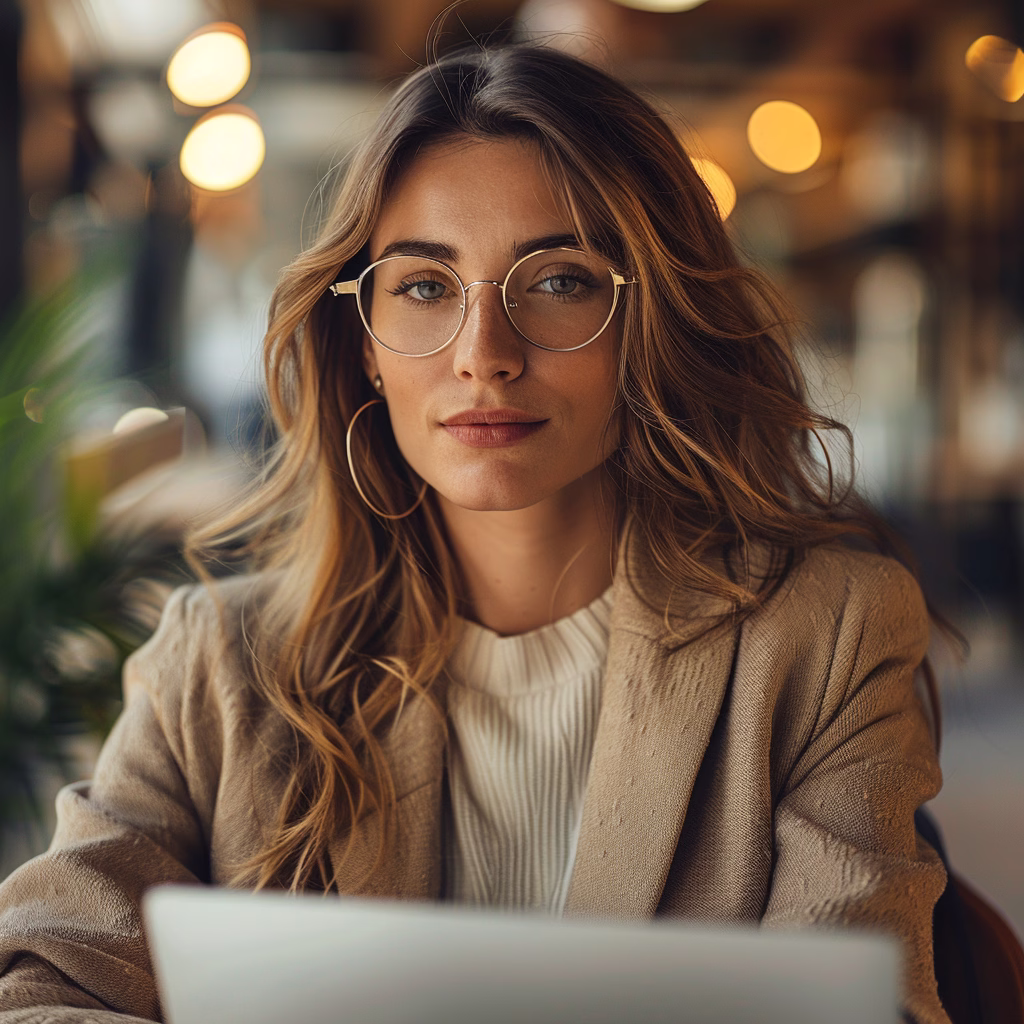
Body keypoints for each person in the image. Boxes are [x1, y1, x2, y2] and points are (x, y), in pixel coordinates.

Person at [0, 43, 952, 1024]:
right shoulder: (215, 666)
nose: (484, 357)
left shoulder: (824, 637)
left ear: (648, 322)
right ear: (363, 341)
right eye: (423, 286)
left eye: (559, 281)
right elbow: (42, 988)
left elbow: (868, 1006)